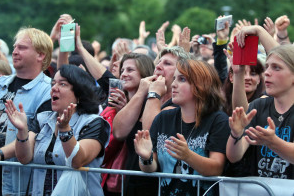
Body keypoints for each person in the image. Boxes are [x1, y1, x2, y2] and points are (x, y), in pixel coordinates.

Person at [5, 64, 110, 195]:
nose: (54, 88)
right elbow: (24, 158)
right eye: (53, 84)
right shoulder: (42, 119)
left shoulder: (94, 122)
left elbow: (77, 161)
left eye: (62, 84)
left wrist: (65, 130)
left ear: (79, 93)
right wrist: (22, 130)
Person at [134, 59, 230, 195]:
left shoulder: (218, 120)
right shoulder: (163, 118)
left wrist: (188, 156)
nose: (173, 84)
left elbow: (216, 168)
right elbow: (151, 168)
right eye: (174, 79)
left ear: (201, 84)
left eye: (182, 79)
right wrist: (146, 158)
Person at [226, 25, 294, 179]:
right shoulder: (258, 106)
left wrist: (273, 142)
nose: (267, 73)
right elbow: (234, 156)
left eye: (276, 68)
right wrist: (235, 134)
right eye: (267, 67)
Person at [0, 27, 53, 195]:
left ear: (40, 55)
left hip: (13, 180)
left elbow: (33, 136)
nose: (14, 51)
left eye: (22, 47)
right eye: (14, 47)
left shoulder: (49, 91)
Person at [112, 53, 156, 196]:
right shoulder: (122, 104)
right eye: (122, 70)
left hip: (150, 182)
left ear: (144, 74)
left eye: (130, 70)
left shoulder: (152, 104)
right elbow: (119, 133)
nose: (123, 74)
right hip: (130, 181)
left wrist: (143, 90)